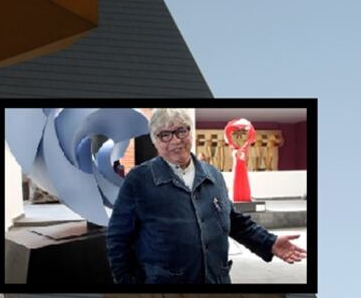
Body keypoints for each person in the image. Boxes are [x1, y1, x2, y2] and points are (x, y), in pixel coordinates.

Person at [106, 108, 305, 284]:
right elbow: (117, 238)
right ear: (155, 141)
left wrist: (269, 242)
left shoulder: (213, 175)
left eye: (181, 131)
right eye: (164, 135)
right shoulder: (139, 180)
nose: (175, 140)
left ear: (190, 134)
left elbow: (233, 221)